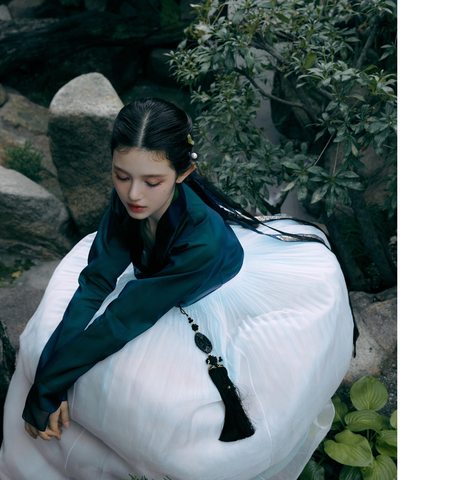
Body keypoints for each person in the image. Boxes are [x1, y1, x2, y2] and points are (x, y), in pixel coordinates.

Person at [0, 98, 354, 479]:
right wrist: (47, 382)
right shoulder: (130, 201)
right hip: (152, 286)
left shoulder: (203, 241)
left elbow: (123, 318)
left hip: (199, 289)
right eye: (121, 176)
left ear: (183, 173)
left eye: (152, 182)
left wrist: (47, 388)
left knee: (187, 445)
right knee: (45, 352)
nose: (134, 195)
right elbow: (96, 282)